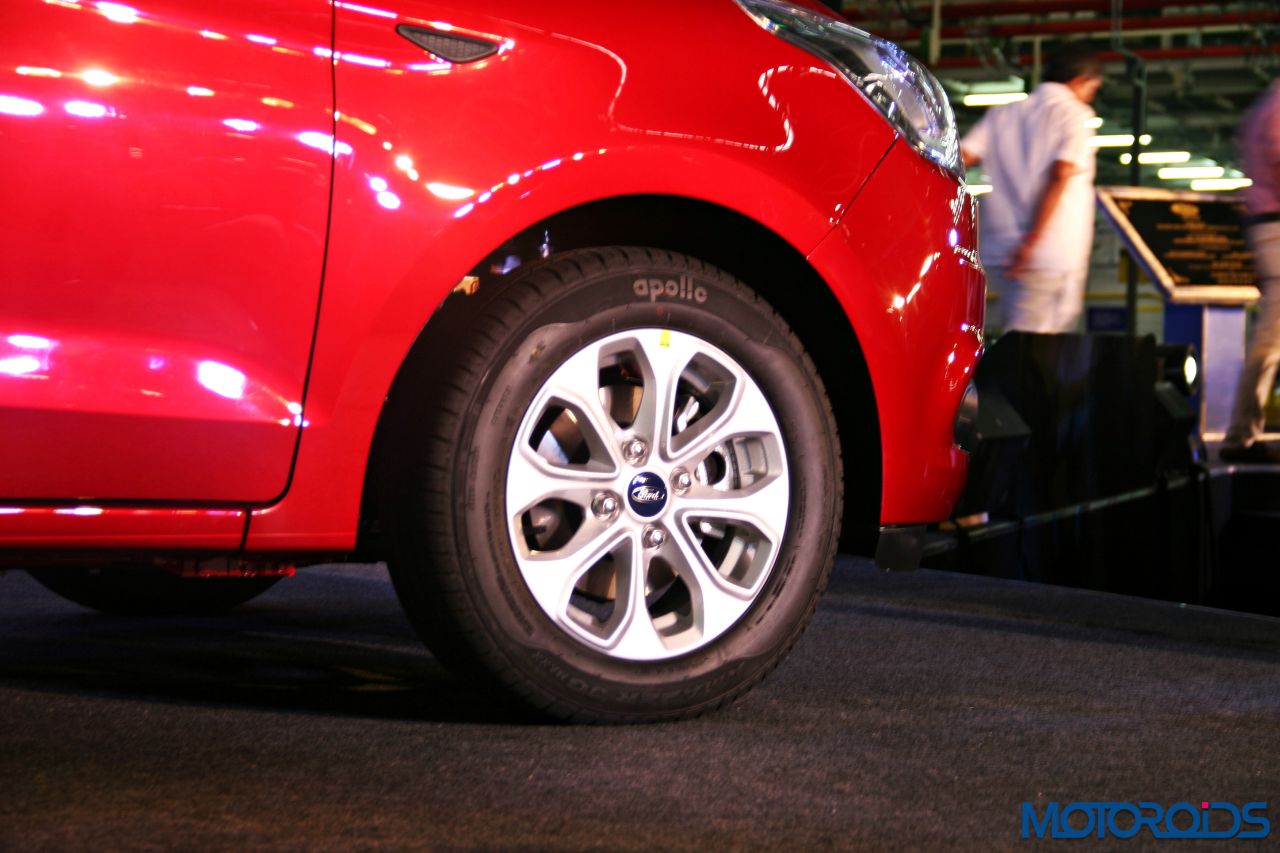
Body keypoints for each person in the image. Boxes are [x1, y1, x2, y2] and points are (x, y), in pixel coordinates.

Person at [960, 43, 1104, 334]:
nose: (1091, 96)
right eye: (1093, 89)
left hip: (999, 247)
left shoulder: (1003, 113)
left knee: (1014, 334)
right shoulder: (1075, 115)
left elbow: (961, 157)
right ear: (1081, 80)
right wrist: (1033, 239)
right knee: (1037, 344)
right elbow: (1061, 172)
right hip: (1048, 251)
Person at [1220, 79, 1280, 464]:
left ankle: (1241, 433)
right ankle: (1240, 435)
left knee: (1272, 336)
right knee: (1271, 336)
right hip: (1276, 224)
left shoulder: (1265, 104)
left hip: (1267, 224)